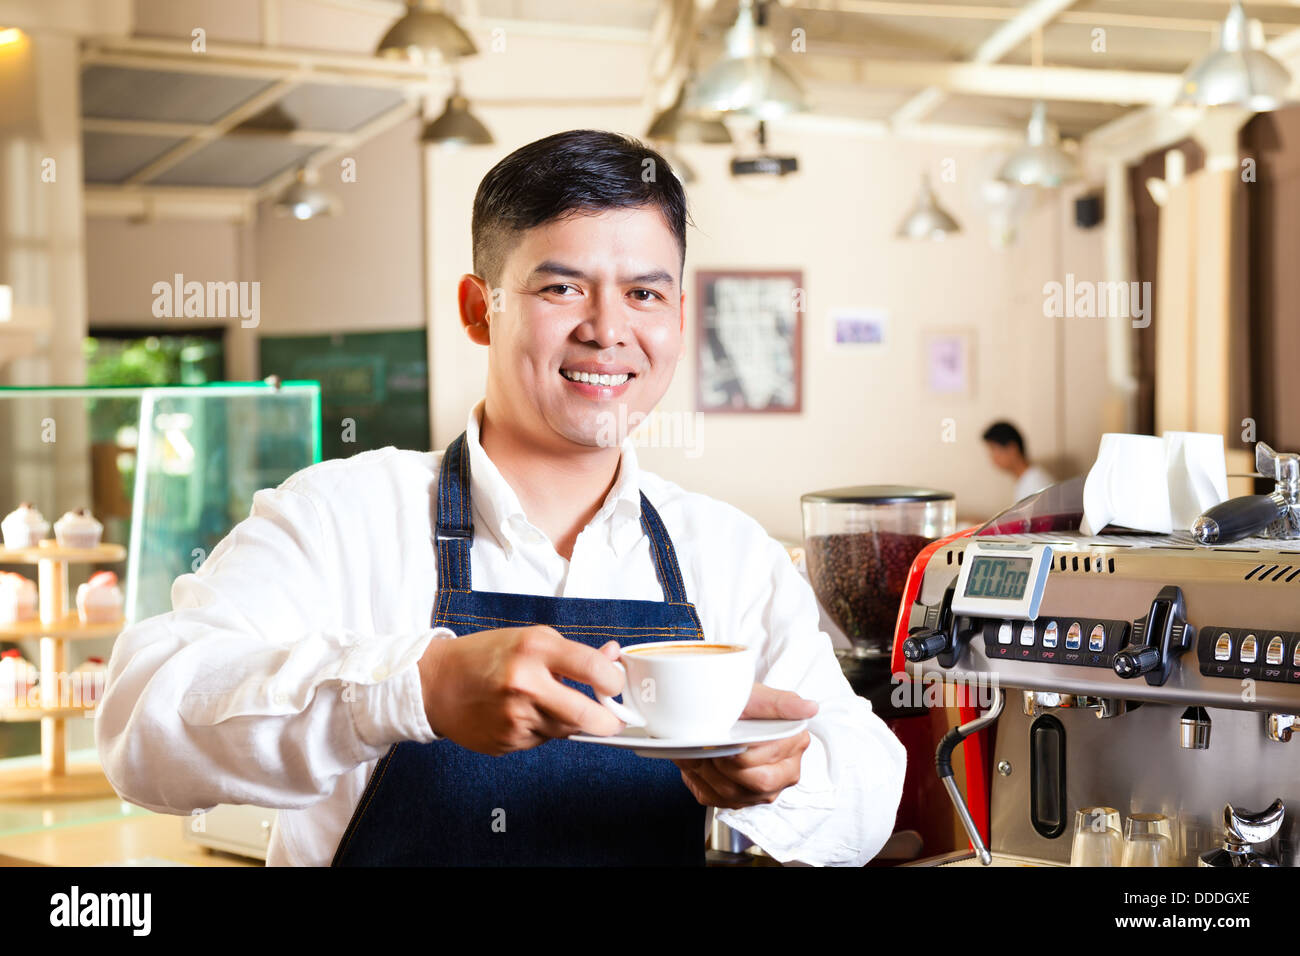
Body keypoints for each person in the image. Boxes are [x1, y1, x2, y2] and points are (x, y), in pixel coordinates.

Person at [96, 129, 906, 867]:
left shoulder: (728, 556)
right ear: (479, 309)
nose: (607, 329)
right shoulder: (340, 517)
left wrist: (785, 773)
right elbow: (139, 724)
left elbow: (868, 786)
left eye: (645, 294)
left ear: (681, 317)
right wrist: (417, 686)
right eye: (561, 289)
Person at [982, 421, 1054, 504]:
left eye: (993, 449)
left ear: (1012, 448)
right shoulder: (1025, 481)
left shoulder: (1036, 484)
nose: (992, 457)